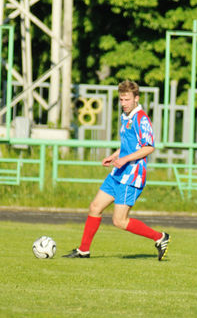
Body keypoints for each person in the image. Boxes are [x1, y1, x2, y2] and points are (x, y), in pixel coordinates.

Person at [63, 80, 170, 260]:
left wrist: (125, 159)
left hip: (133, 174)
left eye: (127, 99)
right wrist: (114, 156)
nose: (123, 103)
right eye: (121, 100)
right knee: (95, 207)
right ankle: (83, 250)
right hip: (119, 171)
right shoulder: (125, 116)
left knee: (119, 221)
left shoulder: (141, 119)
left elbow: (149, 147)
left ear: (136, 98)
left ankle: (160, 237)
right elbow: (129, 145)